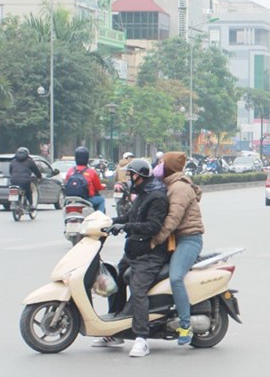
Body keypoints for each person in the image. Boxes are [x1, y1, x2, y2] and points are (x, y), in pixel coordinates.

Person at [93, 159, 170, 358]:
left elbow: (153, 226)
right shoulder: (142, 195)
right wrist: (111, 222)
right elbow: (130, 217)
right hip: (133, 252)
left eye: (132, 175)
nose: (130, 178)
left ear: (141, 176)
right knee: (115, 279)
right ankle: (116, 332)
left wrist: (126, 227)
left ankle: (142, 338)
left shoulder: (157, 197)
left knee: (138, 290)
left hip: (150, 255)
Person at [150, 152, 205, 346]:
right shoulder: (169, 184)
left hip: (188, 240)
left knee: (175, 277)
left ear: (169, 167)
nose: (158, 166)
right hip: (175, 240)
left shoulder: (180, 188)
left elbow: (172, 220)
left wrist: (155, 240)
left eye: (161, 163)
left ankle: (185, 325)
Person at [64, 146, 107, 214]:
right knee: (101, 200)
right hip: (86, 199)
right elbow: (98, 187)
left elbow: (66, 184)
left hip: (71, 200)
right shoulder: (91, 172)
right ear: (87, 159)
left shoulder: (70, 171)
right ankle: (100, 219)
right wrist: (103, 186)